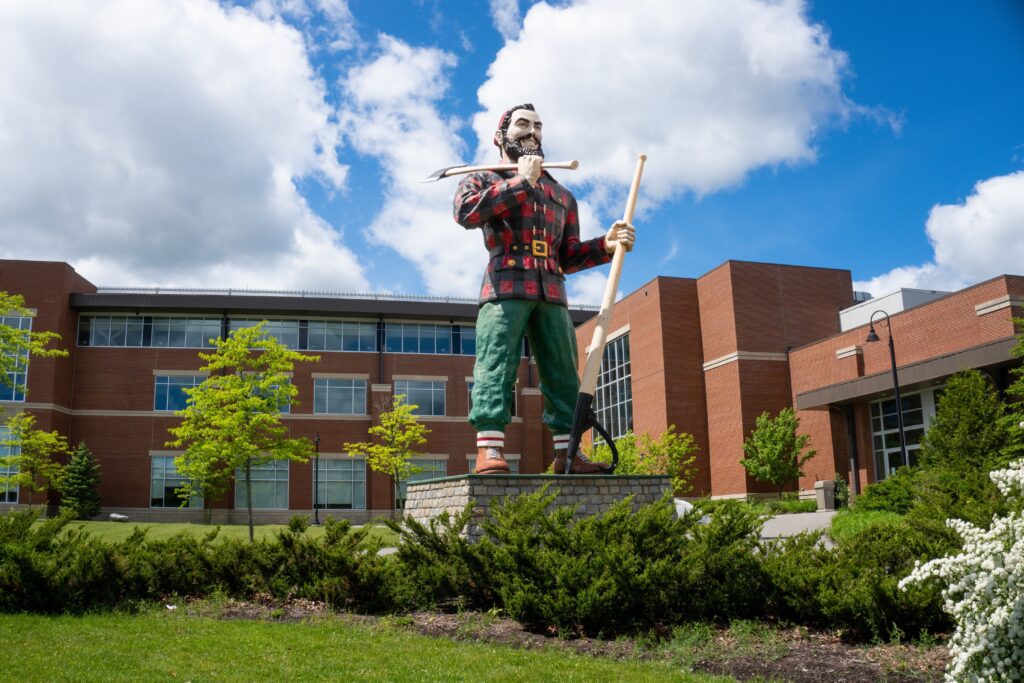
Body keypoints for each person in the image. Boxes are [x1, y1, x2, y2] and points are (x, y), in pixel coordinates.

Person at [453, 103, 635, 475]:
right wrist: (522, 182)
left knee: (563, 373)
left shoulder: (563, 196)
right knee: (495, 366)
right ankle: (490, 448)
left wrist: (606, 244)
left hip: (552, 292)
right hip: (503, 287)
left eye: (538, 125)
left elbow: (566, 255)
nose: (532, 131)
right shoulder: (483, 179)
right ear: (500, 136)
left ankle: (568, 455)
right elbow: (466, 212)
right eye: (522, 124)